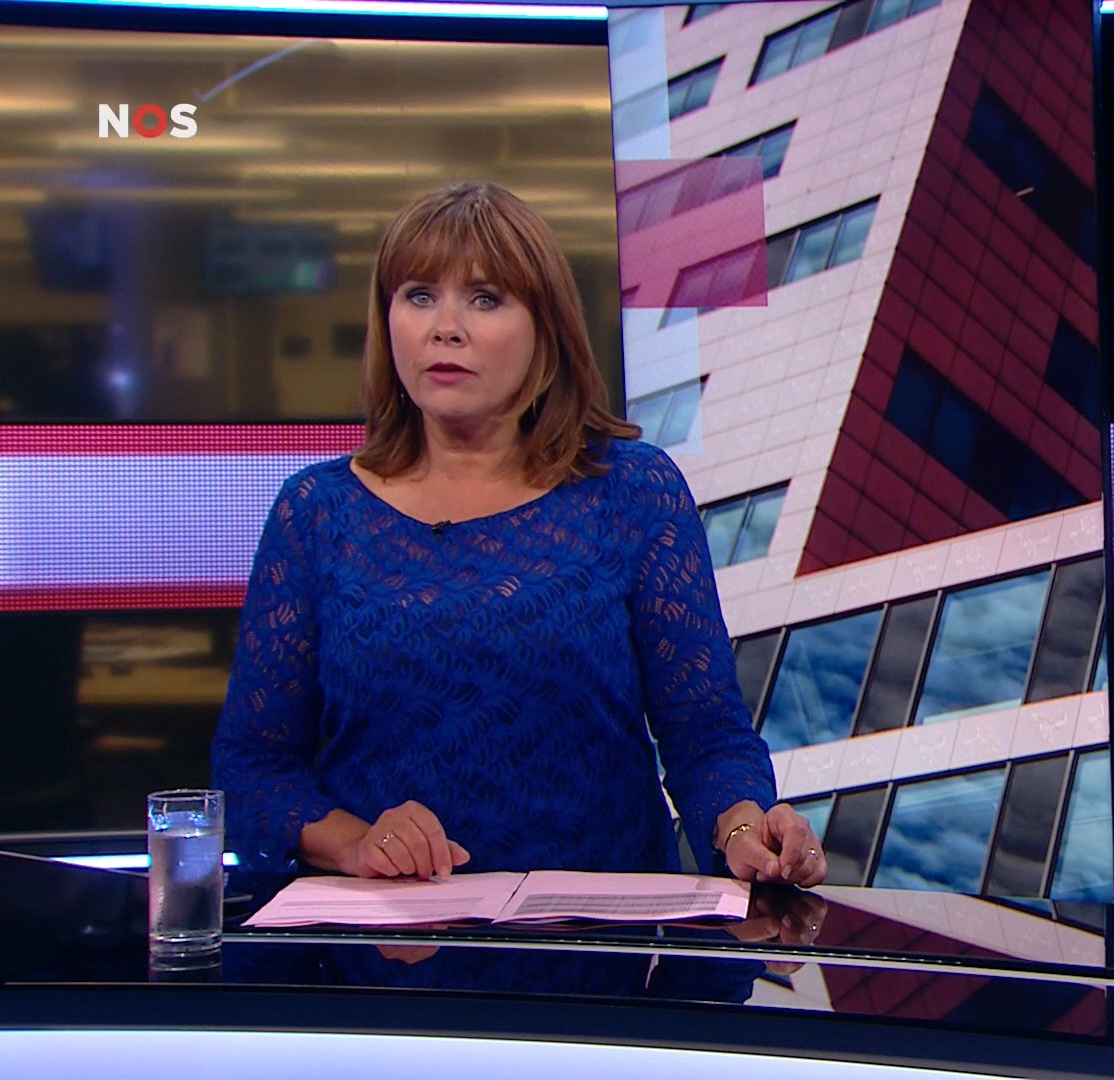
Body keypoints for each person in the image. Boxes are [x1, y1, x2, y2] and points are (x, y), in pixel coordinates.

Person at [211, 181, 826, 889]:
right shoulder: (317, 513)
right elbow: (253, 768)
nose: (446, 328)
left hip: (597, 936)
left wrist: (744, 829)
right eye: (419, 296)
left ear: (546, 328)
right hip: (391, 938)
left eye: (485, 299)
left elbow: (706, 736)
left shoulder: (632, 492)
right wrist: (355, 843)